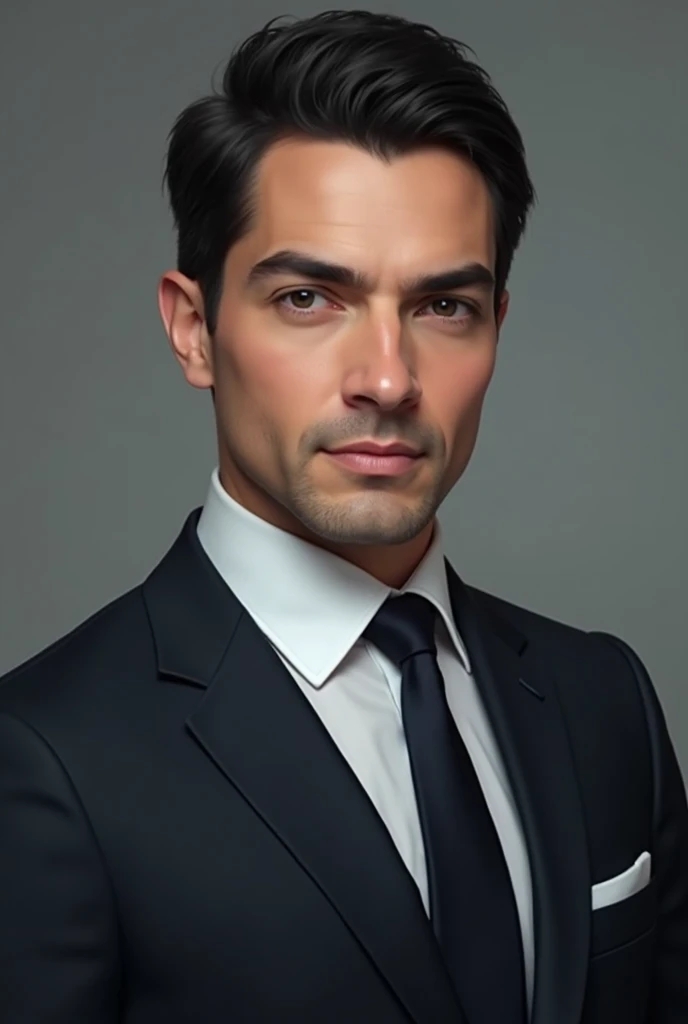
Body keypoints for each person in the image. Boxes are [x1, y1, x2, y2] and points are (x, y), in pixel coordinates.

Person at [1, 10, 686, 1024]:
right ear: (195, 329)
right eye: (309, 298)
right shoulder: (43, 758)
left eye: (442, 305)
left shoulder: (602, 701)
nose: (386, 378)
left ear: (498, 325)